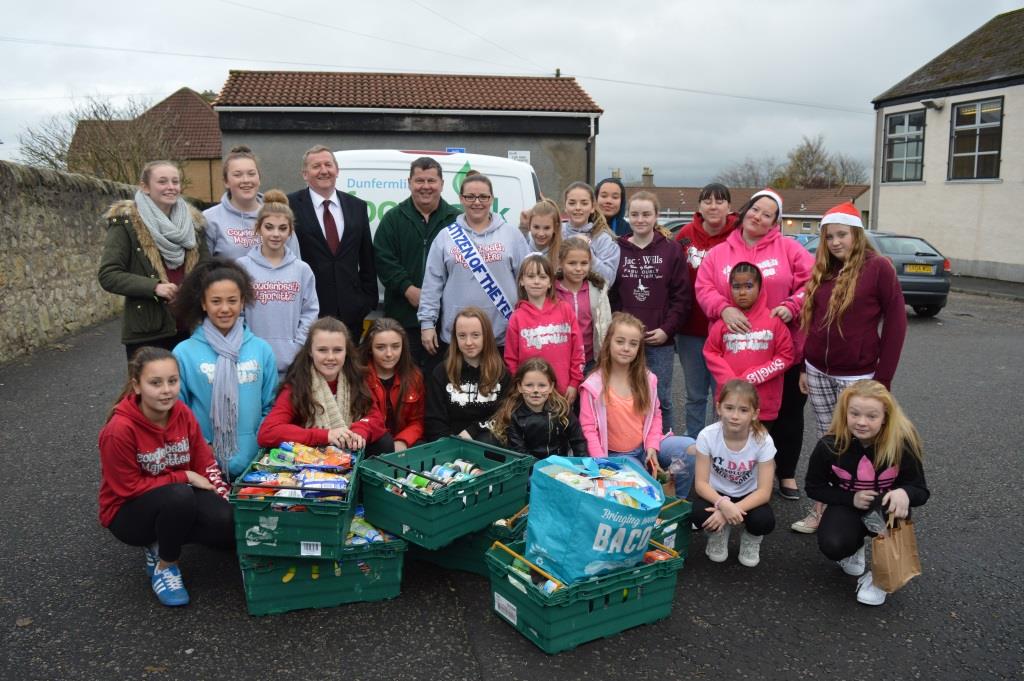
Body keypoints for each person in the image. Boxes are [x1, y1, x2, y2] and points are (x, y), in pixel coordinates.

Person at [793, 202, 908, 534]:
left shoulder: (878, 268)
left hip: (858, 375)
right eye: (829, 237)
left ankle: (869, 510)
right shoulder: (824, 269)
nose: (835, 242)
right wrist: (803, 366)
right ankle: (822, 509)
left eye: (841, 235)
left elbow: (897, 324)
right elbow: (810, 321)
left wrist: (883, 379)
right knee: (828, 441)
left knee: (863, 442)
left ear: (857, 234)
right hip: (817, 371)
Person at [696, 188, 814, 501]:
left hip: (778, 344)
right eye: (755, 209)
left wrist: (792, 305)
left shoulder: (789, 248)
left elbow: (812, 283)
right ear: (745, 210)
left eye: (767, 214)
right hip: (735, 348)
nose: (758, 217)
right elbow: (704, 288)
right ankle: (734, 476)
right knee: (736, 412)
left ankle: (785, 473)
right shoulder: (719, 252)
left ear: (775, 222)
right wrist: (723, 308)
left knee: (787, 413)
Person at [98, 347, 232, 607]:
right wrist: (184, 476)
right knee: (179, 496)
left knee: (227, 522)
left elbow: (204, 461)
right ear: (137, 386)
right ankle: (166, 565)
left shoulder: (182, 413)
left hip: (175, 496)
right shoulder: (119, 430)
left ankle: (165, 539)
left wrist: (224, 495)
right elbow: (127, 488)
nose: (166, 390)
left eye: (172, 381)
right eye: (155, 383)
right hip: (127, 513)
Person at [804, 380, 928, 606]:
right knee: (833, 545)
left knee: (890, 509)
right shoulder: (829, 445)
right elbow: (813, 486)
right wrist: (850, 498)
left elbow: (920, 489)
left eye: (872, 416)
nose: (862, 422)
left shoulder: (901, 444)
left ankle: (881, 577)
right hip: (848, 505)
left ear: (885, 417)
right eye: (855, 414)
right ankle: (854, 546)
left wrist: (904, 492)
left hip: (885, 510)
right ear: (845, 413)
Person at [172, 259, 277, 479]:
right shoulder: (183, 353)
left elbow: (271, 405)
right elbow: (178, 412)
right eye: (216, 301)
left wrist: (259, 443)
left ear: (242, 302)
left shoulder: (261, 349)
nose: (225, 309)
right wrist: (202, 446)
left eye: (232, 301)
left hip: (255, 463)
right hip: (204, 463)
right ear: (203, 304)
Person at [99, 160, 209, 359]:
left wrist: (191, 288)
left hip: (191, 328)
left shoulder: (194, 223)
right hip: (148, 331)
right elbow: (109, 275)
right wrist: (155, 287)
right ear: (145, 187)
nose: (171, 187)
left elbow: (206, 269)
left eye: (175, 181)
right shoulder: (126, 222)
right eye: (162, 181)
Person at [578, 312, 695, 499]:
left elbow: (655, 415)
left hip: (647, 446)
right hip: (617, 455)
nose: (626, 348)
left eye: (633, 344)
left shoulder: (647, 379)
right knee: (642, 485)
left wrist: (652, 446)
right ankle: (652, 505)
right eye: (620, 341)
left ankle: (676, 502)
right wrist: (601, 462)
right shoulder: (593, 385)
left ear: (639, 348)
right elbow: (588, 429)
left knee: (691, 449)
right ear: (608, 343)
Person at [419, 171, 529, 354]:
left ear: (491, 199)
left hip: (504, 335)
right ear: (461, 199)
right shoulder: (445, 237)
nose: (477, 202)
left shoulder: (512, 235)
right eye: (470, 197)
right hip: (460, 338)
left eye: (483, 197)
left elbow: (527, 280)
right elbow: (432, 283)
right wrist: (427, 324)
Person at [611, 191, 690, 433]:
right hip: (625, 339)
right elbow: (610, 295)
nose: (640, 219)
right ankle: (629, 443)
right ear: (628, 216)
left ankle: (663, 447)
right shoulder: (617, 248)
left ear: (656, 216)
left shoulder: (672, 250)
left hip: (659, 340)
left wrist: (667, 330)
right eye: (635, 214)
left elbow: (681, 297)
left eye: (646, 214)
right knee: (624, 396)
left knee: (661, 398)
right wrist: (616, 329)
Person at [373, 156, 462, 367]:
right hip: (402, 318)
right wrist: (408, 289)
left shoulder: (456, 221)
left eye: (431, 181)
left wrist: (436, 297)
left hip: (445, 321)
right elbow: (383, 259)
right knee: (404, 377)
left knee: (441, 378)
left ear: (442, 183)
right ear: (409, 183)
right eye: (419, 180)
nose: (425, 186)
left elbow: (463, 267)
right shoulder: (393, 219)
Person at [257, 317, 391, 455]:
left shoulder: (355, 378)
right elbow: (267, 432)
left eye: (337, 350)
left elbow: (375, 418)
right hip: (309, 456)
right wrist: (326, 435)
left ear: (346, 352)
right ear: (310, 351)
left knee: (384, 442)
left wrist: (360, 431)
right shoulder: (297, 386)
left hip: (347, 450)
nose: (330, 357)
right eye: (322, 350)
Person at [288, 145, 377, 339]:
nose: (323, 170)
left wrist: (367, 301)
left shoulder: (357, 206)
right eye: (316, 166)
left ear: (337, 170)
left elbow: (367, 258)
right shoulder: (290, 206)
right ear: (305, 174)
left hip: (352, 313)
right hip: (309, 311)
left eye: (328, 165)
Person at [674, 182, 738, 437]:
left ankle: (723, 444)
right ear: (699, 206)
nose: (713, 206)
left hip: (728, 330)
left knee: (725, 393)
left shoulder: (738, 235)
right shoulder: (685, 235)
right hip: (691, 329)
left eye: (719, 201)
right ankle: (695, 443)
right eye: (707, 201)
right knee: (695, 395)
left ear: (729, 206)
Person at [691, 379, 777, 567]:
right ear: (718, 408)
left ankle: (751, 539)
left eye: (743, 410)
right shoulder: (707, 435)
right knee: (697, 513)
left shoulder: (763, 441)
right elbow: (701, 484)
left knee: (763, 521)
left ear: (755, 414)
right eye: (729, 408)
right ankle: (717, 533)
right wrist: (723, 504)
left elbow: (764, 492)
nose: (735, 416)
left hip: (748, 494)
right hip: (717, 493)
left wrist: (727, 512)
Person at [236, 190, 319, 376]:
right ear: (258, 228)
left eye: (282, 228)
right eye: (269, 227)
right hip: (251, 361)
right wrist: (247, 344)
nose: (275, 234)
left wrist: (298, 346)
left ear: (290, 231)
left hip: (293, 363)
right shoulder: (241, 267)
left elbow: (310, 312)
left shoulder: (302, 270)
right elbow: (237, 313)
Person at [703, 262, 794, 424]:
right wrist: (730, 380)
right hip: (730, 403)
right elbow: (711, 352)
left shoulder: (774, 322)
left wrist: (752, 377)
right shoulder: (723, 324)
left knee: (759, 441)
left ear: (760, 287)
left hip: (762, 406)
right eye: (736, 287)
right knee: (728, 440)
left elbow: (786, 356)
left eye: (749, 286)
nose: (742, 292)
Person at [504, 254, 585, 404]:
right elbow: (511, 360)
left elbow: (578, 350)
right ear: (521, 281)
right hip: (530, 395)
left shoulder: (565, 310)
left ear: (550, 283)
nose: (536, 281)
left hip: (563, 393)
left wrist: (574, 382)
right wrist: (520, 387)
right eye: (531, 276)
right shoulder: (517, 317)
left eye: (542, 277)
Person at [423, 307, 510, 443]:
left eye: (475, 335)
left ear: (486, 336)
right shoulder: (441, 372)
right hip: (449, 443)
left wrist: (473, 430)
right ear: (455, 338)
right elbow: (435, 420)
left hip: (486, 443)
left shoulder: (501, 373)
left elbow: (503, 415)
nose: (468, 342)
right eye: (462, 336)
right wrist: (450, 444)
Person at [203, 145, 299, 260]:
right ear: (226, 182)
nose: (246, 180)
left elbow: (295, 262)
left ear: (259, 179)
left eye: (251, 174)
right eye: (237, 175)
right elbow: (204, 267)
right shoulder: (210, 219)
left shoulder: (278, 213)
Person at [491, 357, 588, 458]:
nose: (535, 390)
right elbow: (519, 452)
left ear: (551, 387)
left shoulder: (562, 410)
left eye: (542, 385)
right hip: (528, 465)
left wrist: (583, 463)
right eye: (529, 385)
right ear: (519, 387)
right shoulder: (513, 416)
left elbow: (578, 441)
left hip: (560, 465)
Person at [359, 318, 425, 452]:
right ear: (370, 348)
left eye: (395, 347)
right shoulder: (359, 376)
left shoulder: (414, 376)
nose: (389, 354)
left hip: (402, 443)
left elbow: (419, 420)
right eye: (380, 347)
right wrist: (389, 445)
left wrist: (403, 440)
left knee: (422, 447)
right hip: (371, 443)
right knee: (384, 443)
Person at [555, 236, 611, 374]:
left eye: (584, 263)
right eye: (572, 263)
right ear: (561, 263)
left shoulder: (598, 291)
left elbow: (605, 326)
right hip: (560, 361)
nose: (578, 268)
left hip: (590, 361)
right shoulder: (551, 291)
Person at [560, 181, 620, 285]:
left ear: (592, 207)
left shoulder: (603, 238)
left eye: (584, 203)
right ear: (565, 207)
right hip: (558, 294)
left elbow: (609, 280)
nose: (578, 207)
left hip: (592, 295)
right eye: (572, 203)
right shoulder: (555, 233)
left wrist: (588, 253)